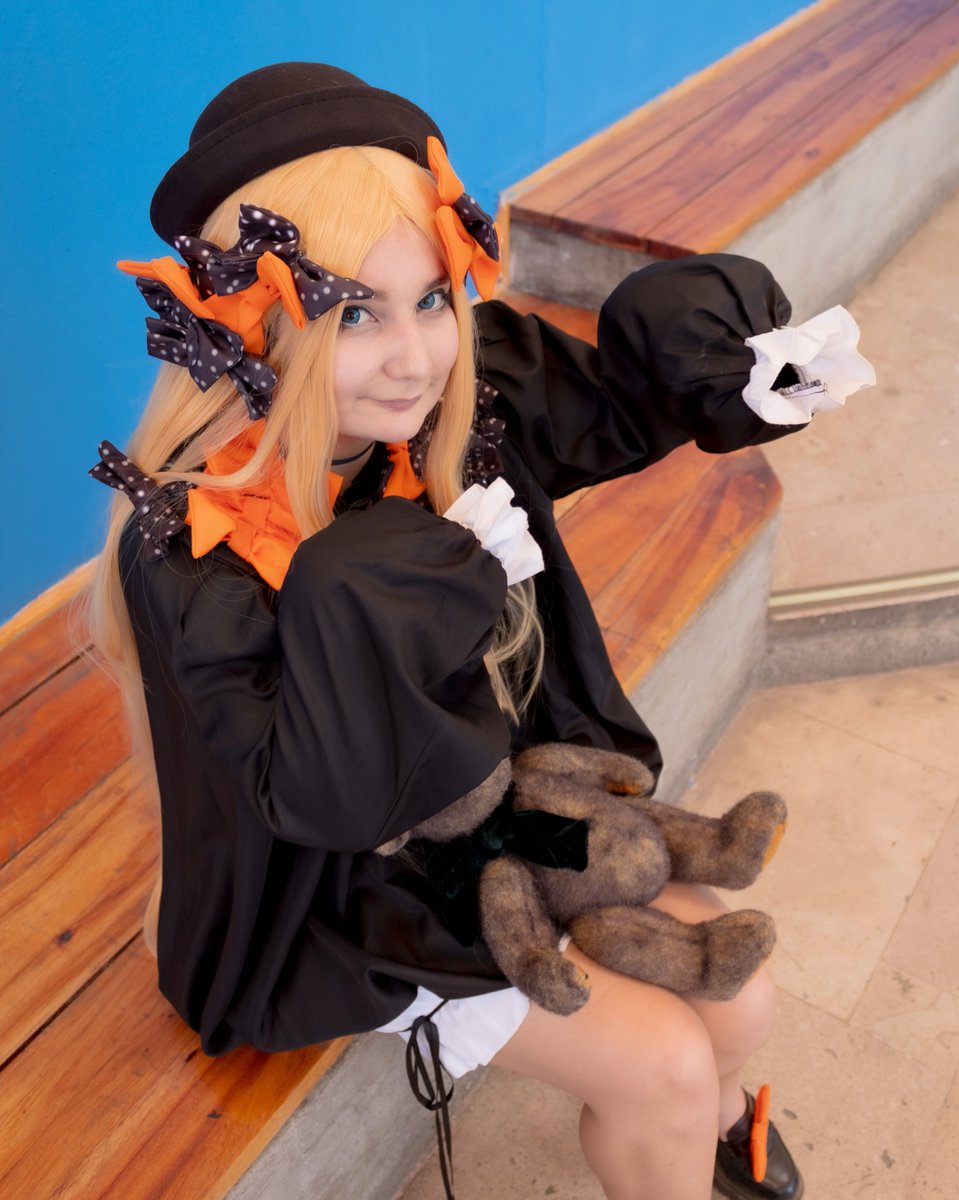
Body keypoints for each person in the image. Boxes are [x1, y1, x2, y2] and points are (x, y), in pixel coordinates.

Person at [88, 62, 873, 1200]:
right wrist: (368, 600)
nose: (415, 357)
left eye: (430, 300)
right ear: (250, 326)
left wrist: (729, 368)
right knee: (659, 1063)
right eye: (354, 313)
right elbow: (322, 806)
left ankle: (714, 1136)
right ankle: (680, 1131)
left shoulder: (461, 408)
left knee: (742, 999)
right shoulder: (202, 547)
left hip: (512, 796)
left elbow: (614, 403)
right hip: (355, 885)